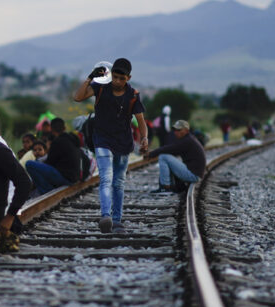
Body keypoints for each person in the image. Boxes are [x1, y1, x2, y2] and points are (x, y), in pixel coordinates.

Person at [74, 57, 148, 234]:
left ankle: (117, 220)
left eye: (122, 79)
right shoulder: (100, 87)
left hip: (123, 143)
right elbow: (77, 97)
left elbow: (140, 121)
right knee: (106, 179)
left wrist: (144, 138)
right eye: (115, 77)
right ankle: (105, 216)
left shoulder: (133, 95)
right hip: (102, 140)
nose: (117, 81)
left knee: (119, 182)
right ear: (111, 74)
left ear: (128, 78)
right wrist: (90, 77)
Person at [146, 120, 206, 193]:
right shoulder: (189, 139)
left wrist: (151, 154)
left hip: (193, 175)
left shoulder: (187, 141)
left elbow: (170, 148)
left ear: (186, 130)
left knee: (163, 156)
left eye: (179, 130)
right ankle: (171, 186)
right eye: (175, 130)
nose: (176, 132)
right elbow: (171, 149)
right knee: (168, 157)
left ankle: (165, 188)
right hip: (194, 173)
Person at [25, 118, 80, 196]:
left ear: (51, 129)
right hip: (74, 178)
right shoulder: (73, 140)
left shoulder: (57, 142)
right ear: (64, 128)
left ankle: (46, 191)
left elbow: (50, 163)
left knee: (30, 164)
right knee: (38, 163)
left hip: (65, 178)